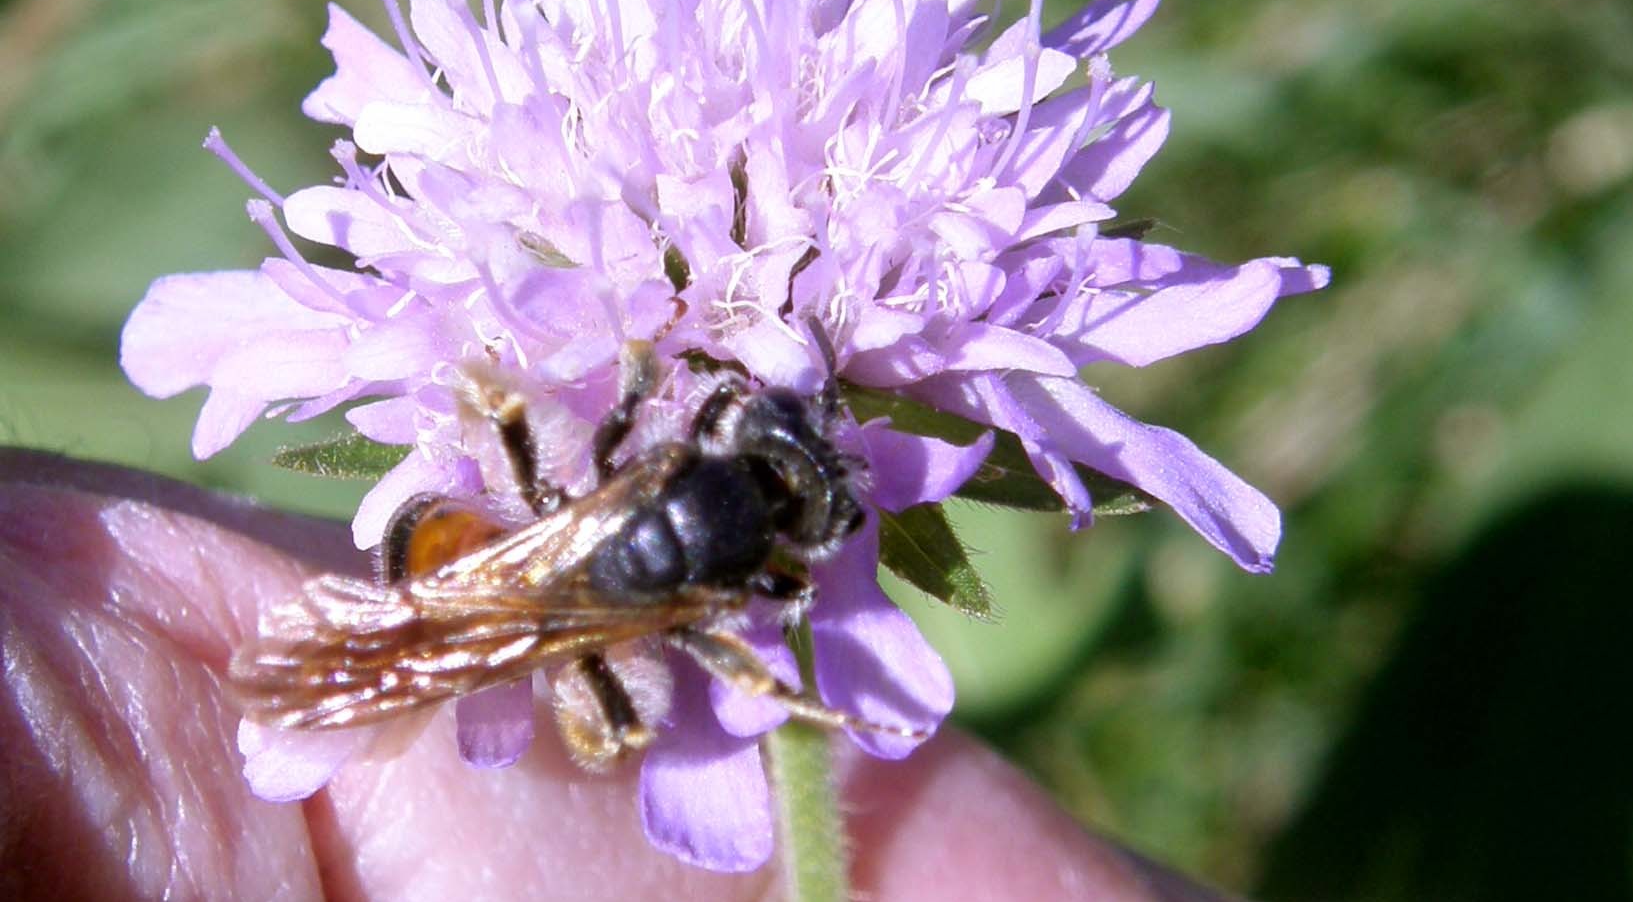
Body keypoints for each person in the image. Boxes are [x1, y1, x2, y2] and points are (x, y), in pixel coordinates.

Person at [0, 448, 1230, 901]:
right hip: (480, 571)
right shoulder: (701, 587)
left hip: (527, 549)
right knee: (564, 686)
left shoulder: (659, 484)